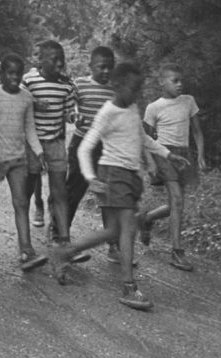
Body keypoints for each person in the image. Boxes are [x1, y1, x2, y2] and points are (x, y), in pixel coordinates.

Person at [50, 63, 189, 310]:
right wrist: (91, 177)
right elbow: (85, 146)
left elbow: (143, 137)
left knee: (114, 231)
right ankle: (128, 286)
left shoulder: (133, 107)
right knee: (127, 228)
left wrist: (167, 154)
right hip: (114, 174)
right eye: (132, 88)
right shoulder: (108, 112)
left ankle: (65, 252)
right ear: (117, 86)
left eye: (138, 89)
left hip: (130, 176)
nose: (136, 94)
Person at [0, 53, 48, 270]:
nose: (15, 77)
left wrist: (39, 152)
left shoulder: (26, 97)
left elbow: (30, 128)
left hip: (18, 158)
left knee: (21, 202)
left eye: (18, 73)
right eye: (10, 73)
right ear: (2, 74)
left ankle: (26, 250)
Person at [137, 63, 207, 272]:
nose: (180, 84)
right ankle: (177, 252)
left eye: (181, 80)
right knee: (177, 200)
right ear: (162, 82)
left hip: (184, 154)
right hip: (164, 154)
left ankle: (147, 218)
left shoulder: (188, 101)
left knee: (176, 203)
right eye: (175, 80)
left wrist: (201, 155)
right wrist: (150, 161)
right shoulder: (154, 107)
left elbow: (197, 131)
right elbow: (146, 137)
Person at [23, 40, 79, 253]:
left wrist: (74, 116)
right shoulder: (29, 81)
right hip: (32, 143)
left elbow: (68, 112)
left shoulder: (67, 85)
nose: (59, 64)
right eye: (54, 59)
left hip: (55, 143)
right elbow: (21, 104)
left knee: (60, 191)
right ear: (41, 60)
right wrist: (34, 104)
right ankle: (25, 241)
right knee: (27, 188)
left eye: (62, 59)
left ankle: (63, 239)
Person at [68, 46, 117, 256]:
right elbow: (69, 108)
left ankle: (113, 244)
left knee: (107, 195)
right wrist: (74, 116)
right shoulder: (80, 84)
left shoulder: (114, 91)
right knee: (74, 191)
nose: (106, 72)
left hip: (105, 149)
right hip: (82, 145)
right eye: (101, 67)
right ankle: (61, 234)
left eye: (110, 68)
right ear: (91, 66)